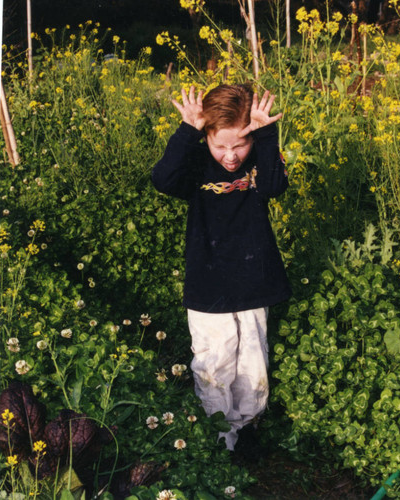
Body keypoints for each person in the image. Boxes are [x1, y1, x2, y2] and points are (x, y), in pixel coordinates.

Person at [151, 83, 291, 454]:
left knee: (252, 359)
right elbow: (162, 180)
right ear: (207, 138)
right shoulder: (196, 161)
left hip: (252, 278)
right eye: (220, 146)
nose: (231, 156)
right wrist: (188, 131)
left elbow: (275, 187)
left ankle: (246, 428)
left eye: (240, 144)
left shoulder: (260, 158)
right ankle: (217, 437)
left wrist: (265, 136)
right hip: (207, 280)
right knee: (215, 359)